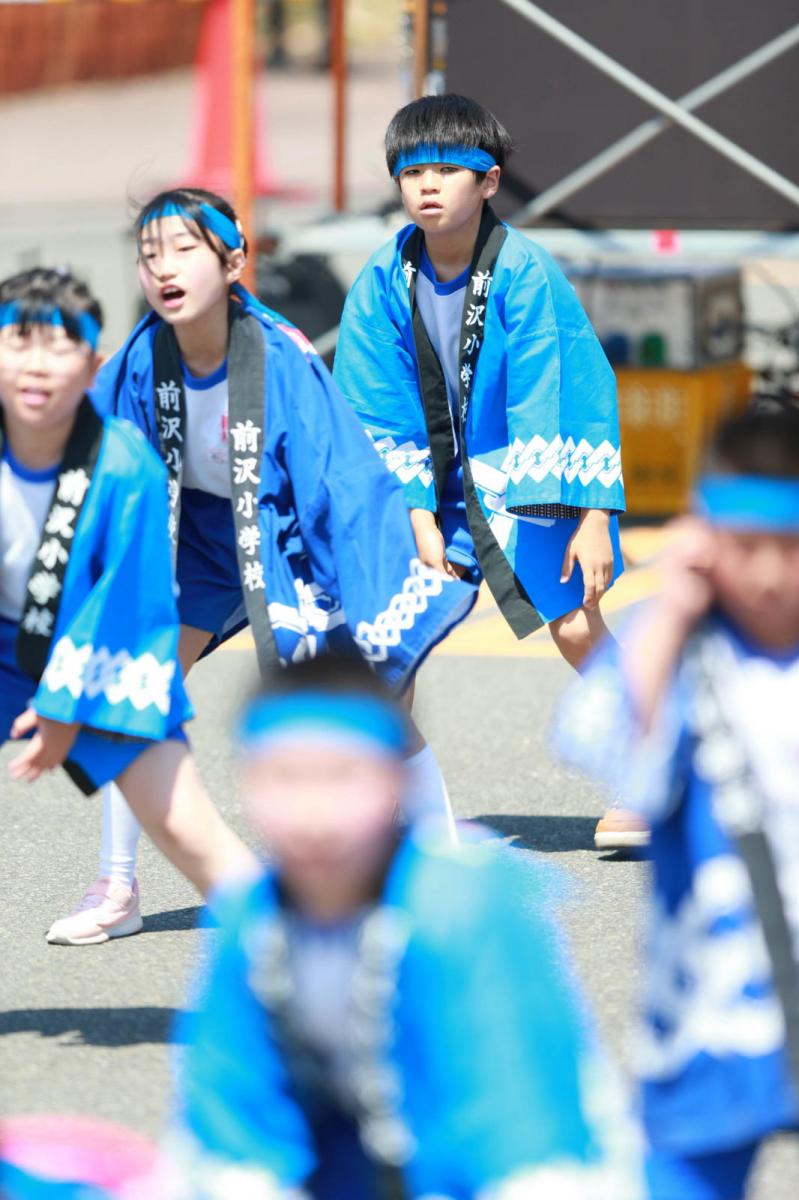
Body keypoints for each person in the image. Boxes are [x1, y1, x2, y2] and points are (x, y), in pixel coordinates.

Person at [53, 187, 475, 948]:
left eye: (184, 250)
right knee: (127, 685)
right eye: (150, 256)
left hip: (290, 542)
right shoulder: (140, 361)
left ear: (233, 259)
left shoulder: (282, 356)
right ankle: (118, 886)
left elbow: (337, 487)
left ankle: (440, 871)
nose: (163, 269)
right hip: (198, 542)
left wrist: (368, 600)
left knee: (376, 704)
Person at [158, 653, 642, 1200]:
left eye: (343, 778)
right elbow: (229, 1122)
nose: (313, 814)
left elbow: (523, 1123)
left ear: (394, 779)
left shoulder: (463, 907)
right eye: (284, 780)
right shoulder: (250, 917)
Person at [332, 94, 636, 850]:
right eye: (411, 172)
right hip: (429, 488)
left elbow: (569, 389)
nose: (426, 185)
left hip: (528, 483)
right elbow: (372, 406)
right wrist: (414, 513)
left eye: (447, 170)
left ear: (489, 181)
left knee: (573, 625)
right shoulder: (381, 278)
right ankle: (406, 808)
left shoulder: (525, 274)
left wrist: (593, 514)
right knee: (386, 646)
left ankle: (646, 778)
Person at [554, 407, 799, 1200]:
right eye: (743, 550)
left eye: (788, 552)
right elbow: (599, 739)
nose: (764, 576)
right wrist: (672, 606)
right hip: (705, 1016)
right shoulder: (686, 651)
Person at [0, 267, 257, 936]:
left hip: (96, 656)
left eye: (59, 347)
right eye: (17, 342)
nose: (35, 365)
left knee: (186, 824)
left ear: (94, 365)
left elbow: (130, 604)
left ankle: (322, 967)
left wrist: (63, 707)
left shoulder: (124, 464)